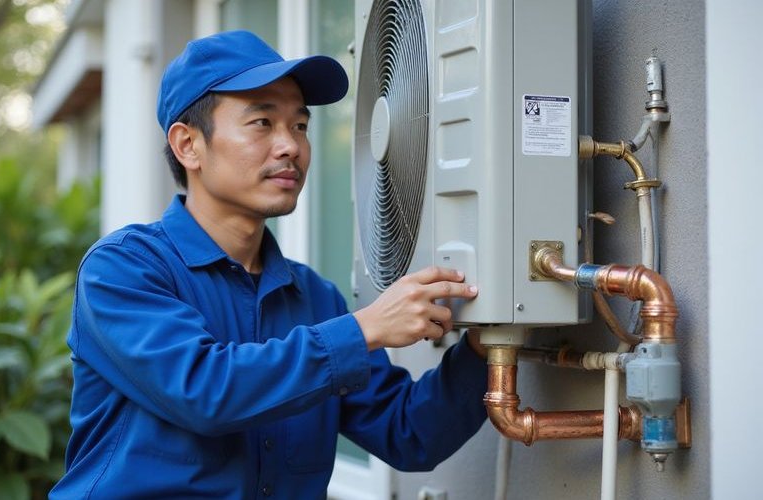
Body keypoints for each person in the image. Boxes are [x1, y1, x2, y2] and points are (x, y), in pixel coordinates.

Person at [49, 30, 488, 499]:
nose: (290, 147)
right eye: (262, 122)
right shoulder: (122, 270)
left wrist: (486, 344)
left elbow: (408, 433)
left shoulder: (316, 299)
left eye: (300, 126)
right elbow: (205, 390)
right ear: (188, 145)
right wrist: (362, 330)